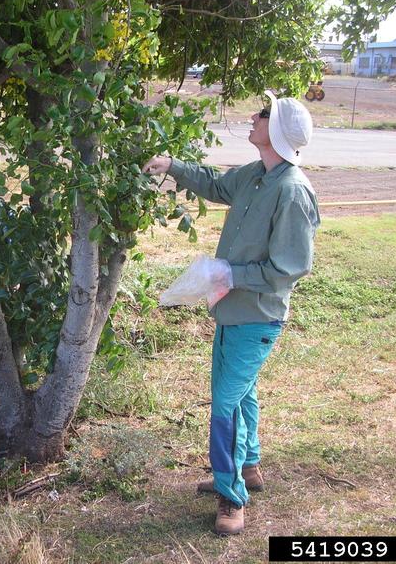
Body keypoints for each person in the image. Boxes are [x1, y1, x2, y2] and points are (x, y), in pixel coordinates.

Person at [143, 90, 320, 535]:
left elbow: (289, 268)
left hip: (257, 315)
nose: (254, 118)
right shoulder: (256, 176)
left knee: (224, 405)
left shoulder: (293, 191)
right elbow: (215, 185)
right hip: (231, 311)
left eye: (263, 115)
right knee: (242, 394)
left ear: (276, 130)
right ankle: (250, 467)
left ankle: (230, 496)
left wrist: (229, 274)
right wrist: (172, 166)